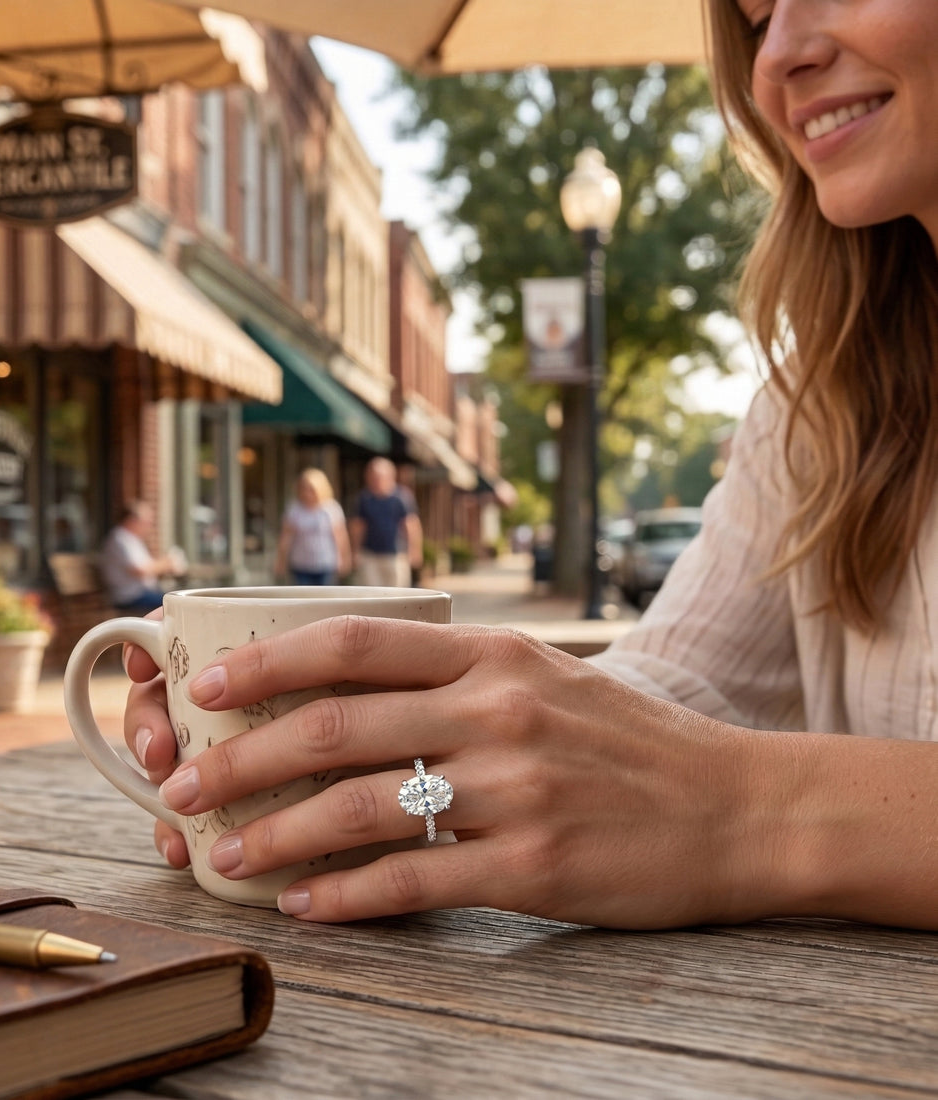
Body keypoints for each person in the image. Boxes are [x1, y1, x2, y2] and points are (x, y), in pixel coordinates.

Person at [121, 0, 938, 931]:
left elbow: (698, 781)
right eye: (753, 16)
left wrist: (749, 809)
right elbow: (670, 695)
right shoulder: (819, 411)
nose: (780, 54)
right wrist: (377, 753)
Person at [348, 457, 423, 588]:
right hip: (370, 555)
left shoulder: (402, 497)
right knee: (370, 594)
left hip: (396, 554)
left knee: (397, 594)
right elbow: (358, 527)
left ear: (390, 476)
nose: (375, 480)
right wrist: (355, 551)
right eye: (372, 476)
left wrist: (415, 550)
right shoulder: (364, 499)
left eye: (379, 476)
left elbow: (411, 525)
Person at [273, 468, 351, 585]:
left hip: (326, 562)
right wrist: (281, 561)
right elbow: (285, 537)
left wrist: (345, 558)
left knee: (324, 599)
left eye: (310, 488)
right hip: (300, 563)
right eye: (304, 488)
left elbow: (340, 536)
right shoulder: (294, 509)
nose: (307, 492)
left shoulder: (331, 508)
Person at [99, 501, 179, 615]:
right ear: (132, 520)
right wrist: (166, 564)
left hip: (143, 593)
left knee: (178, 599)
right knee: (176, 603)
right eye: (146, 522)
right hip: (129, 596)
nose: (149, 526)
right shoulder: (120, 539)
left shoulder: (132, 539)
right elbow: (140, 570)